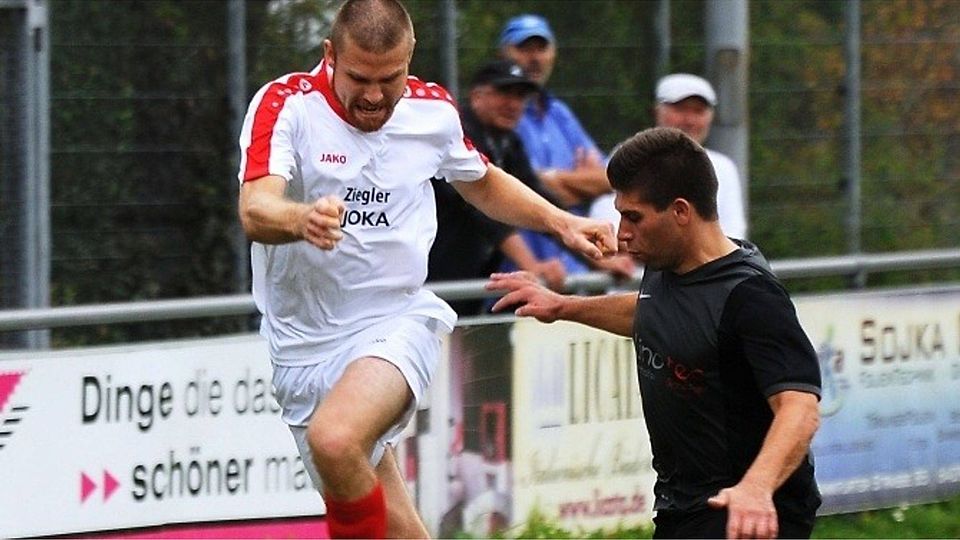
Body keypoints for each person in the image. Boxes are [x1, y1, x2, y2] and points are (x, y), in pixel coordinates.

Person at [235, 0, 616, 537]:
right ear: (330, 55)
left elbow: (480, 179)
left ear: (409, 60)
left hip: (394, 321)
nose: (372, 95)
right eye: (358, 78)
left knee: (337, 439)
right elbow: (256, 209)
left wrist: (561, 223)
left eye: (389, 79)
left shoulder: (431, 111)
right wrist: (300, 219)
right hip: (300, 346)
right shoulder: (286, 105)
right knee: (394, 522)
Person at [487, 127, 822, 539]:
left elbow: (800, 407)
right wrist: (563, 306)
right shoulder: (670, 264)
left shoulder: (751, 295)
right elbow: (653, 312)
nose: (622, 232)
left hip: (743, 513)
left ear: (681, 211)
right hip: (684, 506)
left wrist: (756, 488)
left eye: (634, 217)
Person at [498, 14, 635, 279]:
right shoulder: (503, 115)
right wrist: (582, 185)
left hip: (576, 273)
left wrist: (553, 180)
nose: (534, 58)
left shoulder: (559, 113)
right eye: (524, 48)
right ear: (504, 53)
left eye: (541, 48)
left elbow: (612, 179)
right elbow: (516, 189)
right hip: (521, 275)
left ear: (553, 53)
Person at [428, 59, 565, 316]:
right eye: (504, 92)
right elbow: (480, 209)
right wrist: (532, 266)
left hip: (470, 287)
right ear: (476, 95)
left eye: (520, 96)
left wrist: (593, 247)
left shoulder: (508, 141)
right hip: (432, 286)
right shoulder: (456, 134)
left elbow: (539, 198)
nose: (513, 104)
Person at [654, 73, 748, 239]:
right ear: (658, 111)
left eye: (698, 111)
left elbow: (733, 234)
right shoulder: (629, 159)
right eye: (680, 109)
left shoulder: (724, 168)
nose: (689, 120)